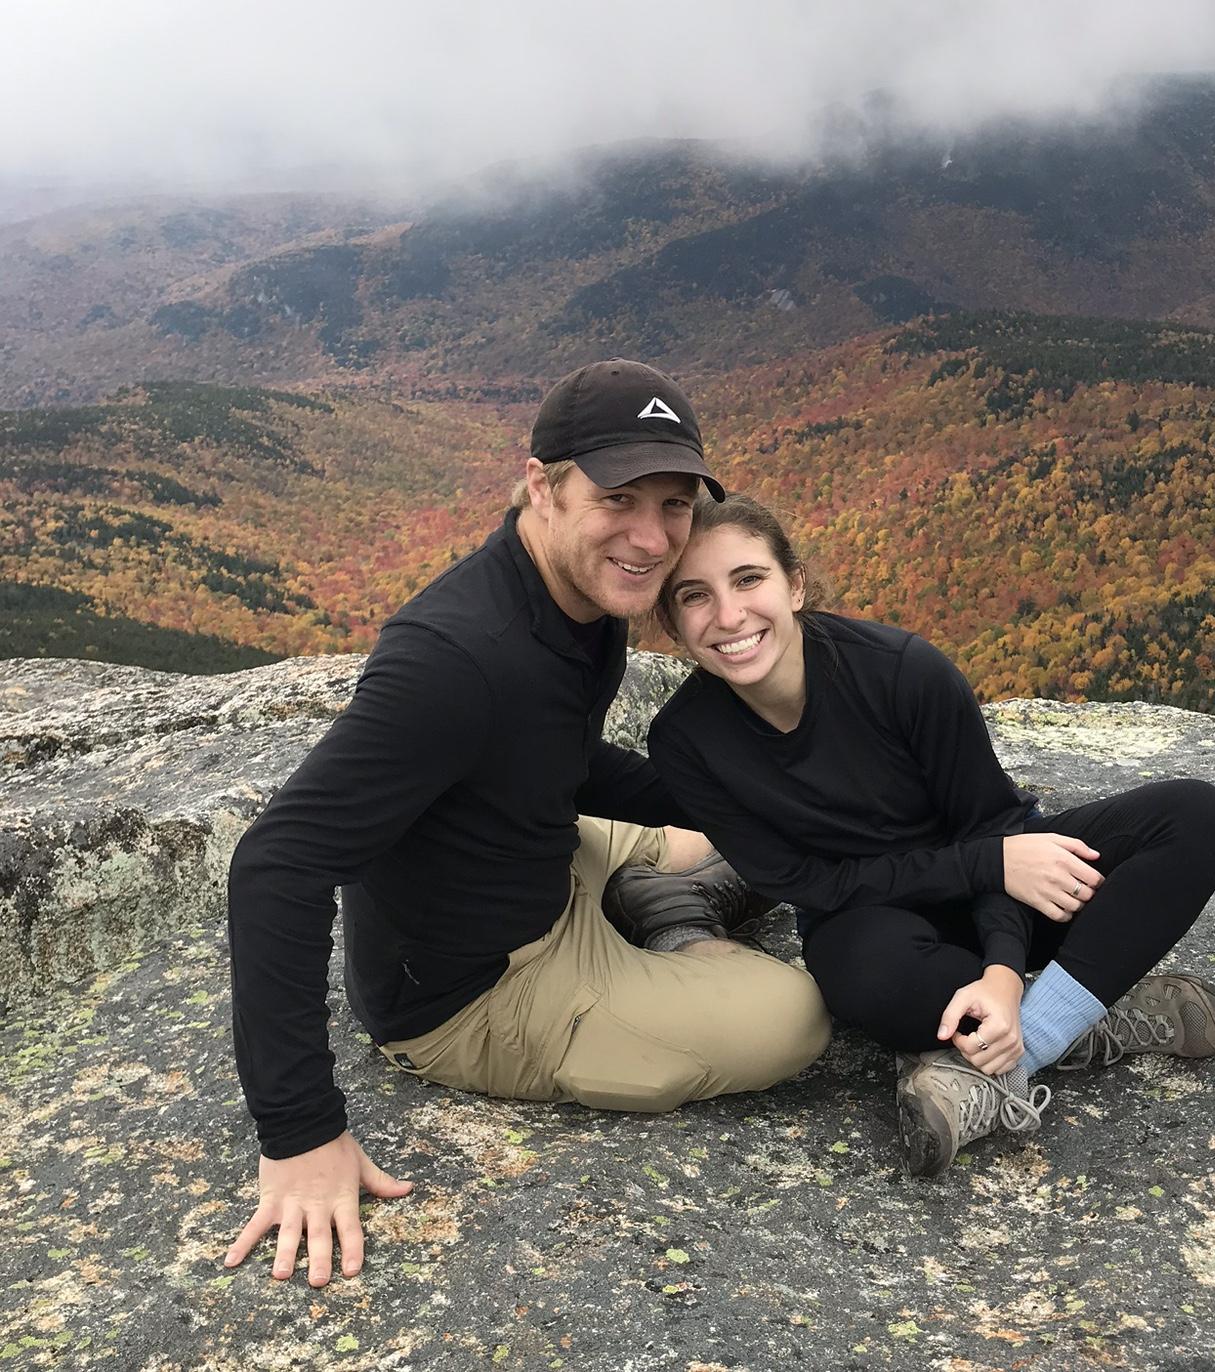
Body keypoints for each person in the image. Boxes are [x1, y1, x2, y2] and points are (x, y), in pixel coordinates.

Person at [223, 363, 830, 1286]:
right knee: (797, 1016)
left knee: (725, 827)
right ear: (542, 485)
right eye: (618, 497)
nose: (651, 535)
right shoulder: (454, 659)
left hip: (539, 857)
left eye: (674, 504)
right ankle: (678, 930)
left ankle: (658, 902)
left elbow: (557, 757)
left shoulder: (582, 597)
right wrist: (300, 1135)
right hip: (479, 989)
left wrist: (743, 793)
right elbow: (277, 866)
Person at [624, 493, 1215, 1177]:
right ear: (673, 623)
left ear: (794, 585)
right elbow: (811, 884)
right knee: (871, 986)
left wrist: (1006, 970)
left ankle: (1021, 1042)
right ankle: (1091, 1014)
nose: (730, 615)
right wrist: (989, 867)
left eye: (749, 579)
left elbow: (994, 827)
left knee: (1196, 816)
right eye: (694, 596)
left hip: (1007, 887)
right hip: (872, 920)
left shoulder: (900, 672)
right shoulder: (686, 741)